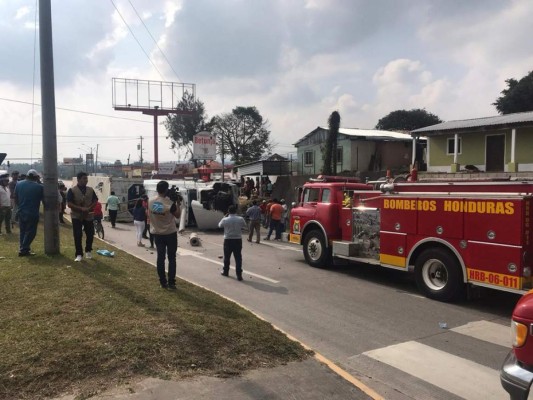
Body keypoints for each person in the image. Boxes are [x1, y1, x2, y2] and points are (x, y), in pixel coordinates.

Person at [148, 180, 181, 289]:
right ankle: (171, 282)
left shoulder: (150, 201)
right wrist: (178, 203)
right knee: (172, 258)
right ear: (166, 190)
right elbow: (178, 215)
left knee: (160, 258)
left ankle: (163, 282)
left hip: (157, 234)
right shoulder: (169, 204)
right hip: (170, 233)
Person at [67, 171, 98, 262]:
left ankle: (88, 250)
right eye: (84, 178)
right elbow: (69, 203)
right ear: (79, 179)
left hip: (88, 215)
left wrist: (89, 208)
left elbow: (95, 201)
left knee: (90, 234)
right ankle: (79, 254)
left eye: (86, 178)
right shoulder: (72, 190)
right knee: (77, 234)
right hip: (76, 215)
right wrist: (80, 208)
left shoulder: (90, 190)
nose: (86, 180)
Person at [14, 169, 44, 256]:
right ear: (35, 177)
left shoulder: (19, 184)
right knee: (31, 232)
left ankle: (23, 248)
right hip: (32, 212)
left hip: (21, 211)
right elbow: (43, 199)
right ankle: (24, 249)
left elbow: (15, 197)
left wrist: (20, 206)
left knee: (23, 231)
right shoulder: (39, 187)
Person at [218, 205, 246, 281]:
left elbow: (219, 225)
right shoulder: (240, 219)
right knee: (238, 257)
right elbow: (244, 225)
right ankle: (239, 274)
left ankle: (226, 271)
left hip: (228, 239)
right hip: (237, 239)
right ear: (236, 211)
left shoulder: (225, 219)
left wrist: (224, 216)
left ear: (228, 211)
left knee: (227, 257)